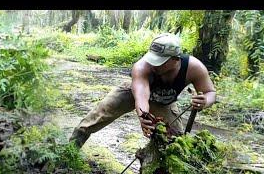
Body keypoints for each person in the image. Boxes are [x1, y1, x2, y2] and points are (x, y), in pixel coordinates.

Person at [69, 33, 217, 147]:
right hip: (132, 93)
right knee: (97, 117)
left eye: (160, 62)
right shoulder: (141, 67)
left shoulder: (194, 68)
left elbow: (210, 92)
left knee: (174, 140)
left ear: (175, 59)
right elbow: (141, 96)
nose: (154, 65)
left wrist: (205, 101)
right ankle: (70, 151)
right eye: (153, 59)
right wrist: (143, 118)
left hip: (164, 103)